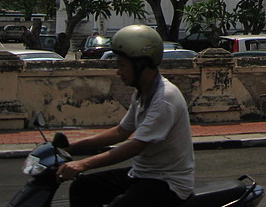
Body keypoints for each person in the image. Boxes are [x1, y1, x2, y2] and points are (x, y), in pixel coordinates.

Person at [56, 25, 195, 207]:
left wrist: (84, 164)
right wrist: (70, 148)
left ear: (141, 64)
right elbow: (121, 131)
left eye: (122, 65)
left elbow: (135, 146)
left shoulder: (165, 98)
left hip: (168, 183)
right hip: (142, 173)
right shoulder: (142, 93)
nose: (118, 71)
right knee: (83, 187)